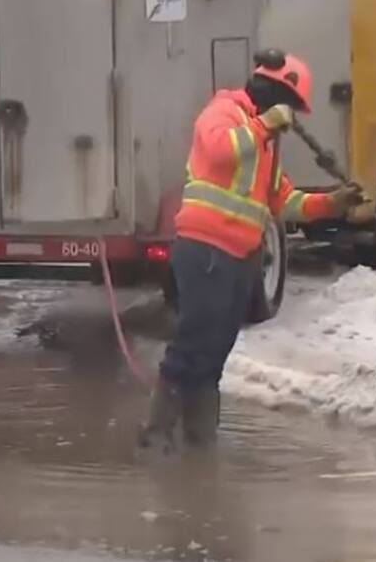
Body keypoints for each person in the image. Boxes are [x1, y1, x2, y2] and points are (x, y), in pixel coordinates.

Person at [138, 50, 363, 453]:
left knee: (216, 350)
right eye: (289, 106)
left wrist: (331, 203)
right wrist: (265, 125)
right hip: (204, 252)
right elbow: (222, 150)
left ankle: (199, 440)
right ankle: (156, 437)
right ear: (271, 93)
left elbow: (283, 201)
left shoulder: (265, 143)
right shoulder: (222, 112)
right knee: (194, 342)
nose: (290, 117)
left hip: (241, 258)